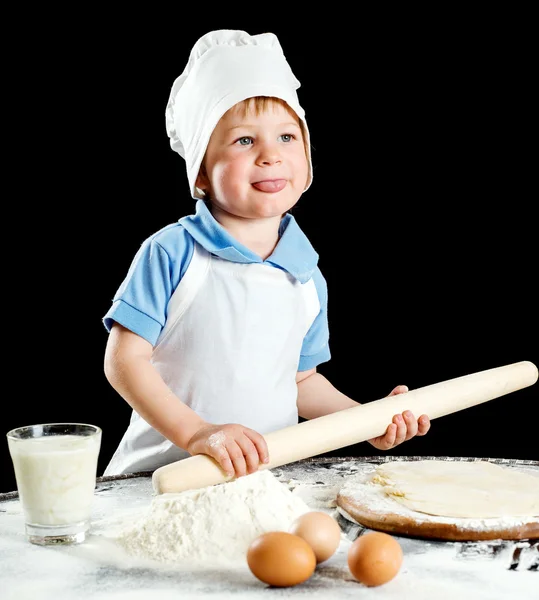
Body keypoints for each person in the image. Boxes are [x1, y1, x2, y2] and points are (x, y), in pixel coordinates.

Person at [102, 29, 431, 478]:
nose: (270, 156)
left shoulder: (306, 277)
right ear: (200, 171)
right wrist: (200, 433)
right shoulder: (174, 252)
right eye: (243, 141)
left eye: (286, 138)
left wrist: (367, 419)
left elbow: (301, 383)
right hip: (159, 480)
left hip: (262, 485)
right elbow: (124, 361)